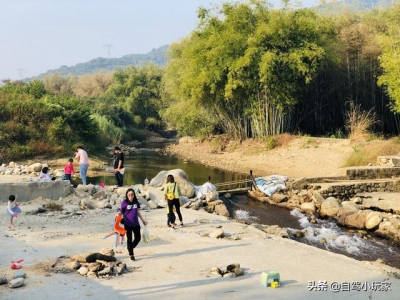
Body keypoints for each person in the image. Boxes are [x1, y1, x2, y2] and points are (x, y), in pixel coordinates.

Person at [119, 188, 148, 261]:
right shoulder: (124, 202)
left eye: (132, 194)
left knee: (138, 238)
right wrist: (118, 216)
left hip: (136, 223)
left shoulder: (135, 202)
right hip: (128, 223)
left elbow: (137, 211)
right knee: (129, 239)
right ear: (127, 195)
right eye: (129, 194)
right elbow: (121, 212)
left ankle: (130, 247)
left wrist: (142, 220)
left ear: (134, 195)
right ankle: (131, 254)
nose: (130, 196)